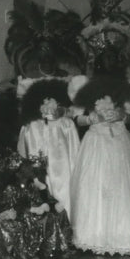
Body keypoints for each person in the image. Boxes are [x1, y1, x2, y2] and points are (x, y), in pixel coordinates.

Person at [67, 23, 130, 255]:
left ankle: (126, 237)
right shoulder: (83, 86)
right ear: (97, 60)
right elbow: (77, 118)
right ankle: (93, 238)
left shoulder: (127, 87)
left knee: (123, 187)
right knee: (96, 187)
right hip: (97, 141)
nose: (109, 62)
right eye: (105, 57)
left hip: (119, 140)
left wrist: (121, 115)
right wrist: (94, 118)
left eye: (113, 57)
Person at [15, 76, 80, 215]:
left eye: (49, 100)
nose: (46, 103)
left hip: (63, 169)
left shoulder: (66, 124)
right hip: (41, 171)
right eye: (42, 101)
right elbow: (23, 150)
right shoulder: (30, 126)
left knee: (65, 193)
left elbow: (75, 149)